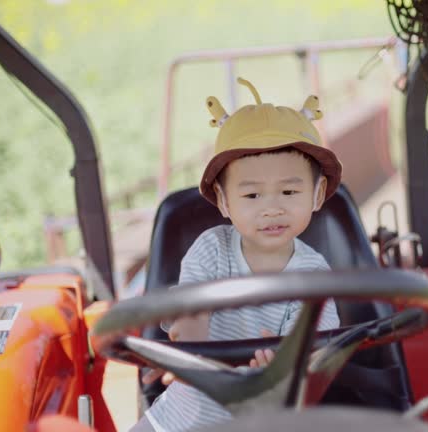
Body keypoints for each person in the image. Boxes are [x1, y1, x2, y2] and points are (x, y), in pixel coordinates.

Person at [132, 77, 343, 432]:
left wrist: (281, 368)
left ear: (318, 194)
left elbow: (310, 354)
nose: (272, 209)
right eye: (252, 196)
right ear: (224, 201)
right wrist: (190, 351)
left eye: (290, 191)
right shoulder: (211, 250)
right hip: (181, 418)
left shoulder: (314, 275)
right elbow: (190, 313)